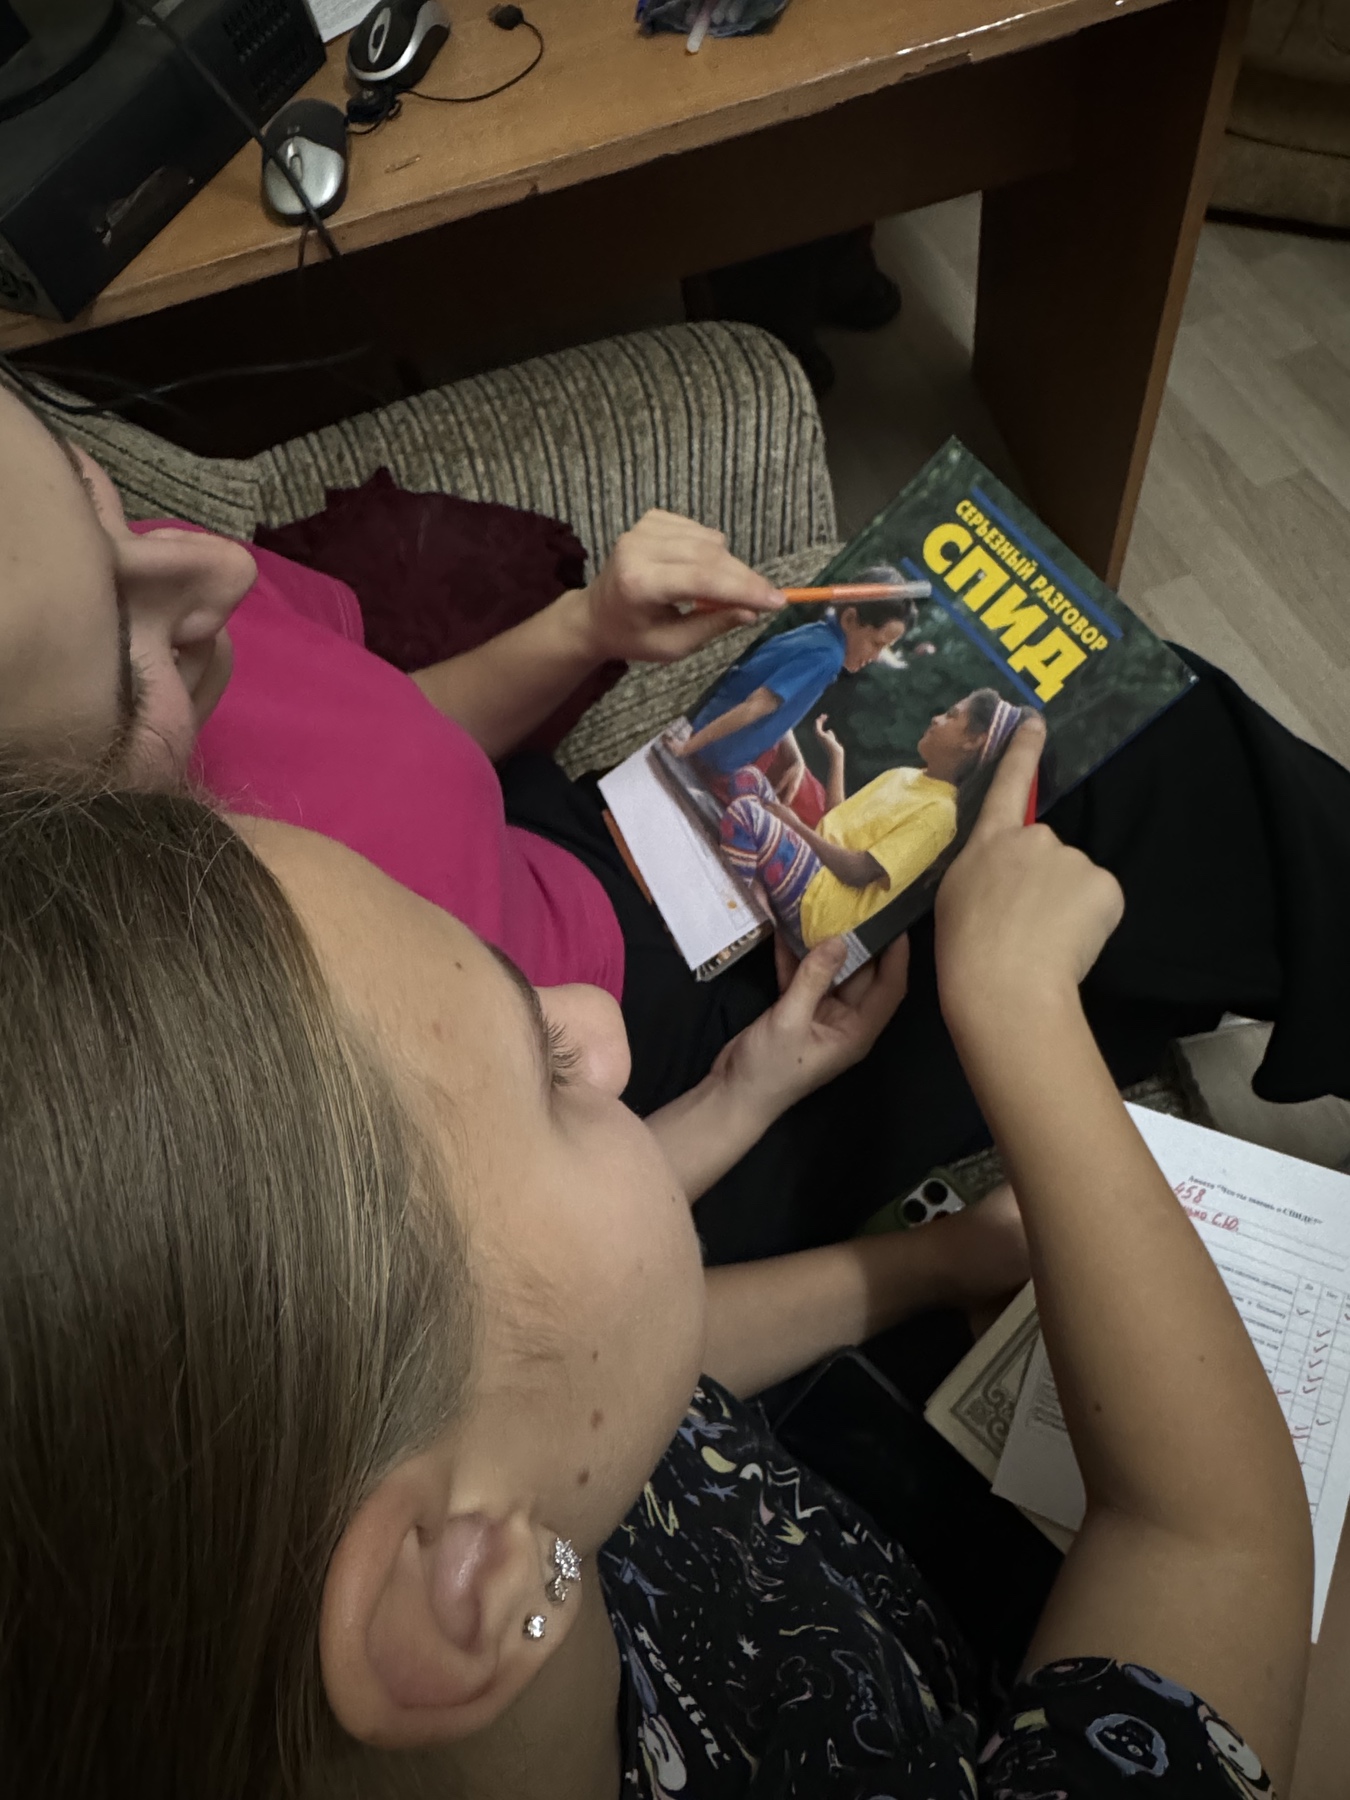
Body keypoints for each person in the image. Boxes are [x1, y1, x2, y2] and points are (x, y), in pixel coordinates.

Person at [0, 733, 1313, 1797]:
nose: (597, 1025)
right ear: (458, 1581)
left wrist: (929, 1261)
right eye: (546, 1073)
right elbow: (1210, 1540)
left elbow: (634, 1386)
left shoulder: (494, 1494)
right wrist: (1015, 1002)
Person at [4, 373, 1350, 1272]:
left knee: (1117, 723)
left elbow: (386, 728)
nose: (213, 568)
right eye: (127, 659)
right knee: (1133, 789)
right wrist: (751, 1083)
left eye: (88, 488)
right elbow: (512, 1278)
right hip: (661, 1113)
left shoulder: (168, 603)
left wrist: (583, 626)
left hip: (608, 856)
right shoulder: (156, 1064)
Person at [717, 690, 1027, 948]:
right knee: (748, 778)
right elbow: (837, 820)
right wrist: (837, 758)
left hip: (816, 906)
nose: (937, 718)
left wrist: (794, 825)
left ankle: (731, 922)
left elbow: (859, 872)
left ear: (972, 741)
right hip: (809, 864)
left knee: (746, 815)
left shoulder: (940, 815)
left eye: (952, 715)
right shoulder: (905, 775)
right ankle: (758, 894)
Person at [672, 585, 919, 795]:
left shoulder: (819, 634)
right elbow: (756, 706)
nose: (876, 657)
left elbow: (776, 703)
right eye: (876, 643)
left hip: (712, 735)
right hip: (712, 755)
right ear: (850, 619)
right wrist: (687, 748)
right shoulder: (827, 657)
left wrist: (796, 758)